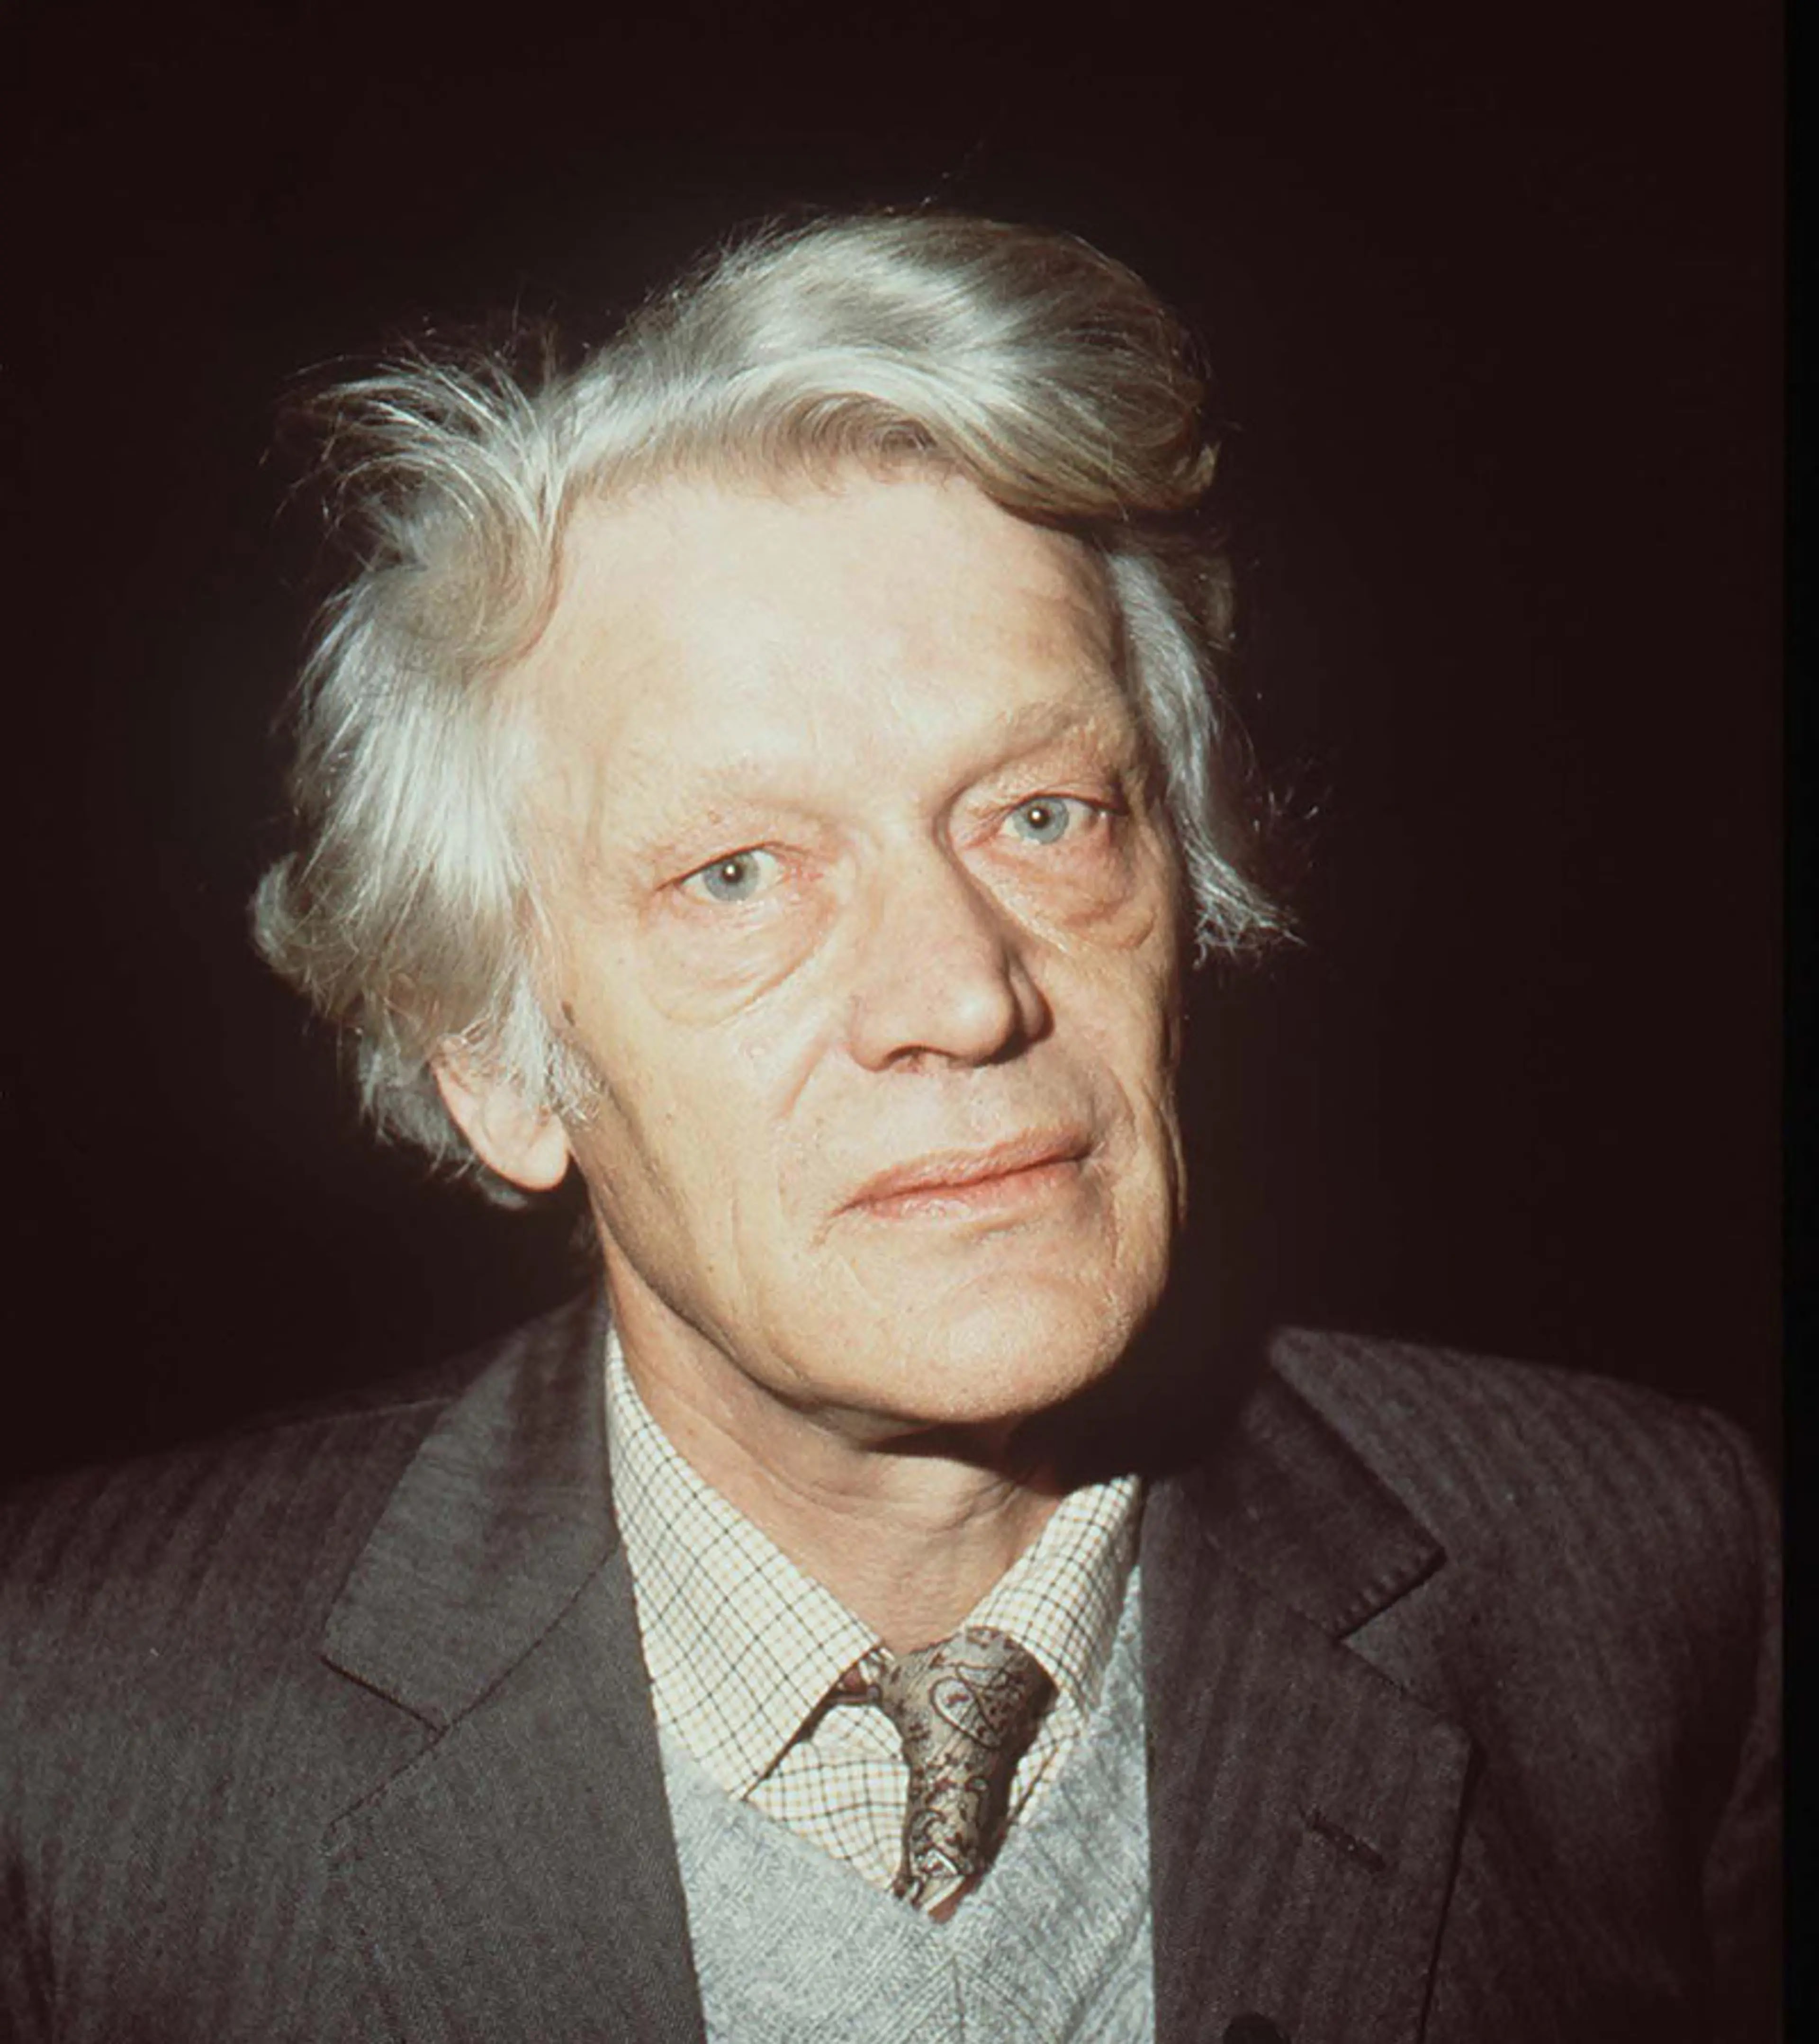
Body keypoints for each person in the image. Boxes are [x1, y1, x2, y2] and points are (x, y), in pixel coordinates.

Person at [0, 212, 1777, 2044]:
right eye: (738, 872)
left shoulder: (1640, 1579)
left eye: (1044, 816)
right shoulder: (70, 1737)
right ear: (496, 1062)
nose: (963, 993)